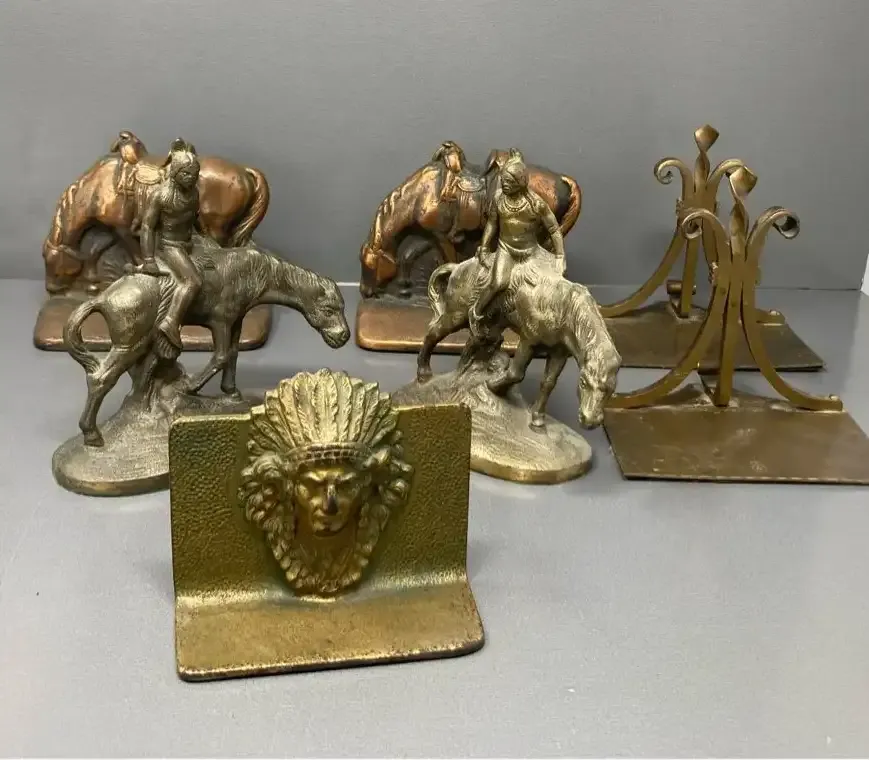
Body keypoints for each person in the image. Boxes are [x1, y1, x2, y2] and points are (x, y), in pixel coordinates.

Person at [469, 149, 566, 336]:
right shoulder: (499, 198)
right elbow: (492, 224)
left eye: (509, 182)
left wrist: (560, 256)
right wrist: (485, 246)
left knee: (554, 281)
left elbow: (554, 229)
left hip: (531, 252)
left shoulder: (536, 204)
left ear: (520, 182)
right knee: (498, 283)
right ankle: (476, 313)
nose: (504, 185)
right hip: (506, 249)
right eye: (503, 180)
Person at [131, 138, 201, 357]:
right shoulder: (161, 195)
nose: (191, 178)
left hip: (189, 242)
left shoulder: (194, 193)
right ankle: (171, 321)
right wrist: (148, 259)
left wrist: (208, 240)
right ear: (175, 173)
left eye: (194, 174)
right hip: (170, 246)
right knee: (192, 281)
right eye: (186, 174)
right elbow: (147, 227)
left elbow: (195, 219)